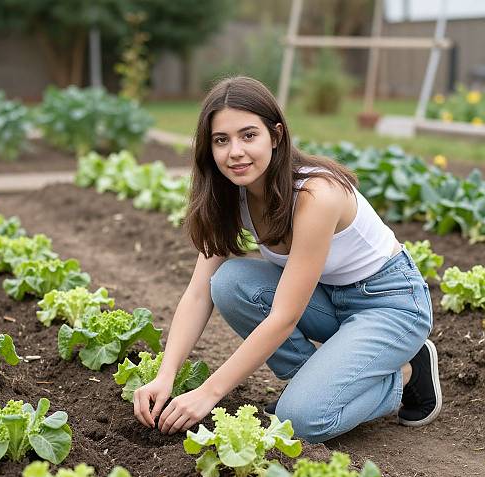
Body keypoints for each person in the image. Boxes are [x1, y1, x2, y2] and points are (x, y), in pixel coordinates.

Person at [133, 76, 442, 443]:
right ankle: (319, 384)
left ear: (276, 136)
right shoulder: (230, 194)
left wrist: (210, 392)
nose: (235, 152)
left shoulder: (316, 194)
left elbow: (284, 317)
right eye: (222, 140)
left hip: (389, 305)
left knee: (300, 421)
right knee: (229, 282)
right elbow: (199, 294)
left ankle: (405, 373)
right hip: (329, 299)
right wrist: (165, 375)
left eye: (249, 135)